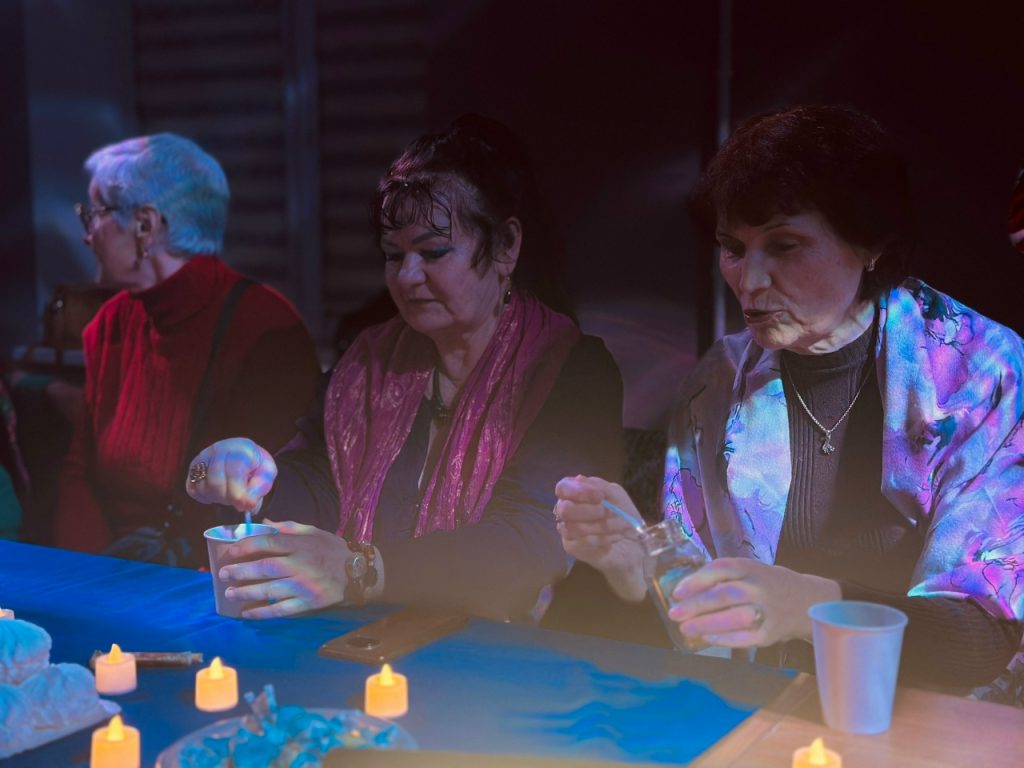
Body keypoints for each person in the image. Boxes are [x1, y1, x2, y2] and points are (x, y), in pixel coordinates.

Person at [555, 105, 1024, 696]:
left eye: (784, 245)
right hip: (759, 710)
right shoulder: (719, 383)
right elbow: (704, 624)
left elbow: (979, 637)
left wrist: (807, 605)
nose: (750, 281)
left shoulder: (983, 373)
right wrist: (637, 566)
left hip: (929, 721)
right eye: (733, 248)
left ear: (870, 243)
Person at [186, 116, 624, 622]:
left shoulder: (569, 367)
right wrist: (245, 481)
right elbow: (321, 483)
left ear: (506, 246)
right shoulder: (372, 361)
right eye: (394, 256)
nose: (408, 276)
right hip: (370, 633)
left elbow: (531, 539)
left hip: (507, 647)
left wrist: (358, 569)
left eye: (433, 252)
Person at [55, 133, 320, 565]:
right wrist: (83, 577)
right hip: (113, 571)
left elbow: (270, 496)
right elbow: (79, 473)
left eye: (95, 213)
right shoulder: (110, 323)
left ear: (145, 226)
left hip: (213, 573)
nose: (87, 235)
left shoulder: (264, 327)